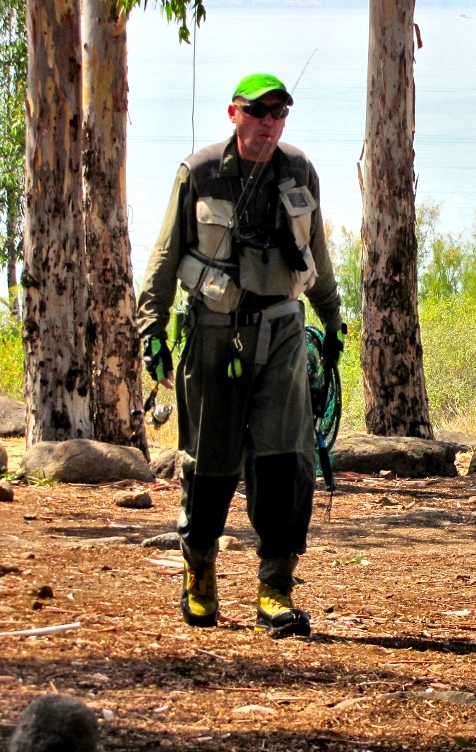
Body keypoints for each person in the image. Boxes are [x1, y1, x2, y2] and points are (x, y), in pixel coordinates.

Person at [137, 73, 342, 638]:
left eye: (278, 114)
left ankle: (275, 590)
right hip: (214, 333)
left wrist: (332, 318)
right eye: (258, 113)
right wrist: (149, 328)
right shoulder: (199, 173)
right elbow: (163, 256)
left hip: (282, 332)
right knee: (210, 461)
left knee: (286, 460)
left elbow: (318, 256)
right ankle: (199, 572)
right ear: (234, 113)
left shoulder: (299, 171)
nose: (269, 124)